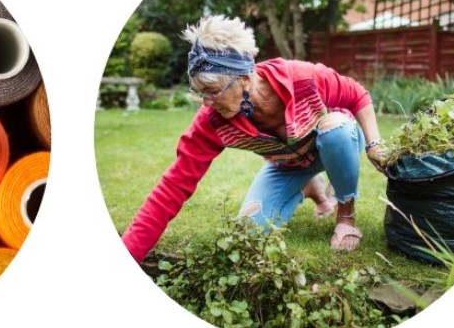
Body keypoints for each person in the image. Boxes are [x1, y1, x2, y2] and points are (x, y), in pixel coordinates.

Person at [121, 15, 385, 262]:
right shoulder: (211, 120)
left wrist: (375, 145)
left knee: (335, 130)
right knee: (248, 235)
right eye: (200, 92)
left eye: (212, 91)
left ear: (244, 79)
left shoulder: (302, 77)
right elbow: (173, 185)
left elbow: (357, 95)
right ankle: (309, 185)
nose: (206, 102)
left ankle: (346, 217)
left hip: (337, 142)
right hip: (287, 164)